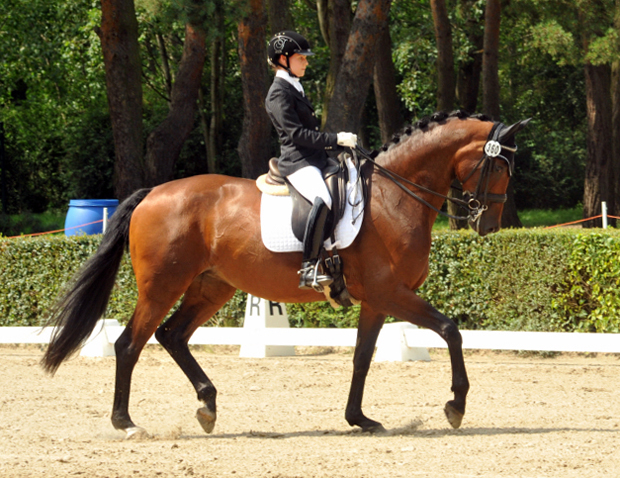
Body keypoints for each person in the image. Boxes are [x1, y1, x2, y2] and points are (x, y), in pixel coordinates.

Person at [265, 30, 358, 290]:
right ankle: (309, 267)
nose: (306, 62)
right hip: (298, 162)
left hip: (315, 158)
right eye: (301, 58)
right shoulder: (278, 93)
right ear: (283, 59)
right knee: (324, 198)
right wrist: (335, 139)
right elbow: (296, 135)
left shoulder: (294, 85)